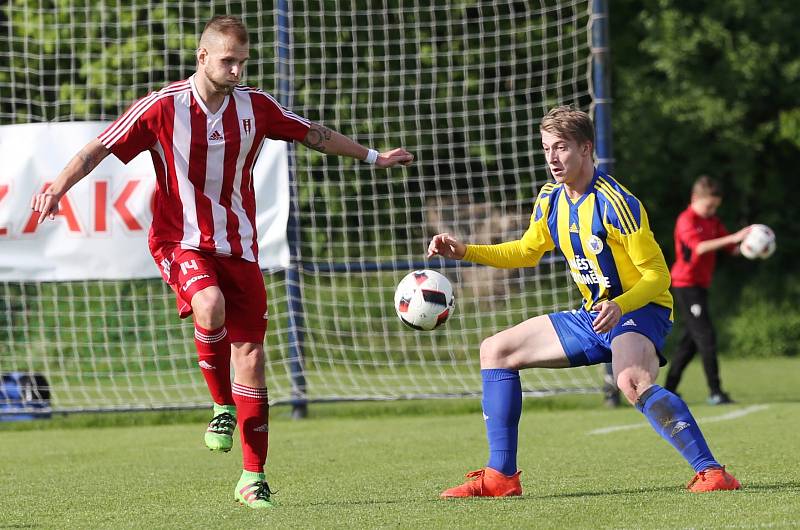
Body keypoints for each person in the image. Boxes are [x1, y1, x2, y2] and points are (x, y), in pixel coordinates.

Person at [30, 15, 413, 509]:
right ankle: (220, 404)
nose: (236, 71)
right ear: (203, 57)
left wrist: (373, 157)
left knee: (251, 357)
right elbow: (97, 149)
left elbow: (313, 133)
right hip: (179, 241)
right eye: (227, 60)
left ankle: (253, 478)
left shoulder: (256, 107)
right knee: (207, 305)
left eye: (242, 62)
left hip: (241, 248)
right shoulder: (162, 107)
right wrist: (56, 187)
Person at [427, 106, 740, 498]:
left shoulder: (617, 203)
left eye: (561, 148)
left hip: (641, 310)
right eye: (546, 149)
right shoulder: (550, 199)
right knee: (496, 349)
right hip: (594, 315)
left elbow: (659, 276)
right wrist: (466, 251)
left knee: (631, 381)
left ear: (586, 148)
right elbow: (526, 251)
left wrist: (622, 306)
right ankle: (500, 478)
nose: (553, 159)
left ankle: (712, 472)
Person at [664, 176, 751, 405]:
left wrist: (754, 246)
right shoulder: (687, 220)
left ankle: (668, 389)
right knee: (706, 337)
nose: (711, 210)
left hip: (700, 286)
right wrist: (733, 237)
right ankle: (716, 392)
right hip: (685, 285)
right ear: (695, 199)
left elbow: (732, 249)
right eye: (709, 206)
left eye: (715, 207)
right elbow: (700, 248)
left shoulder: (712, 221)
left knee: (690, 342)